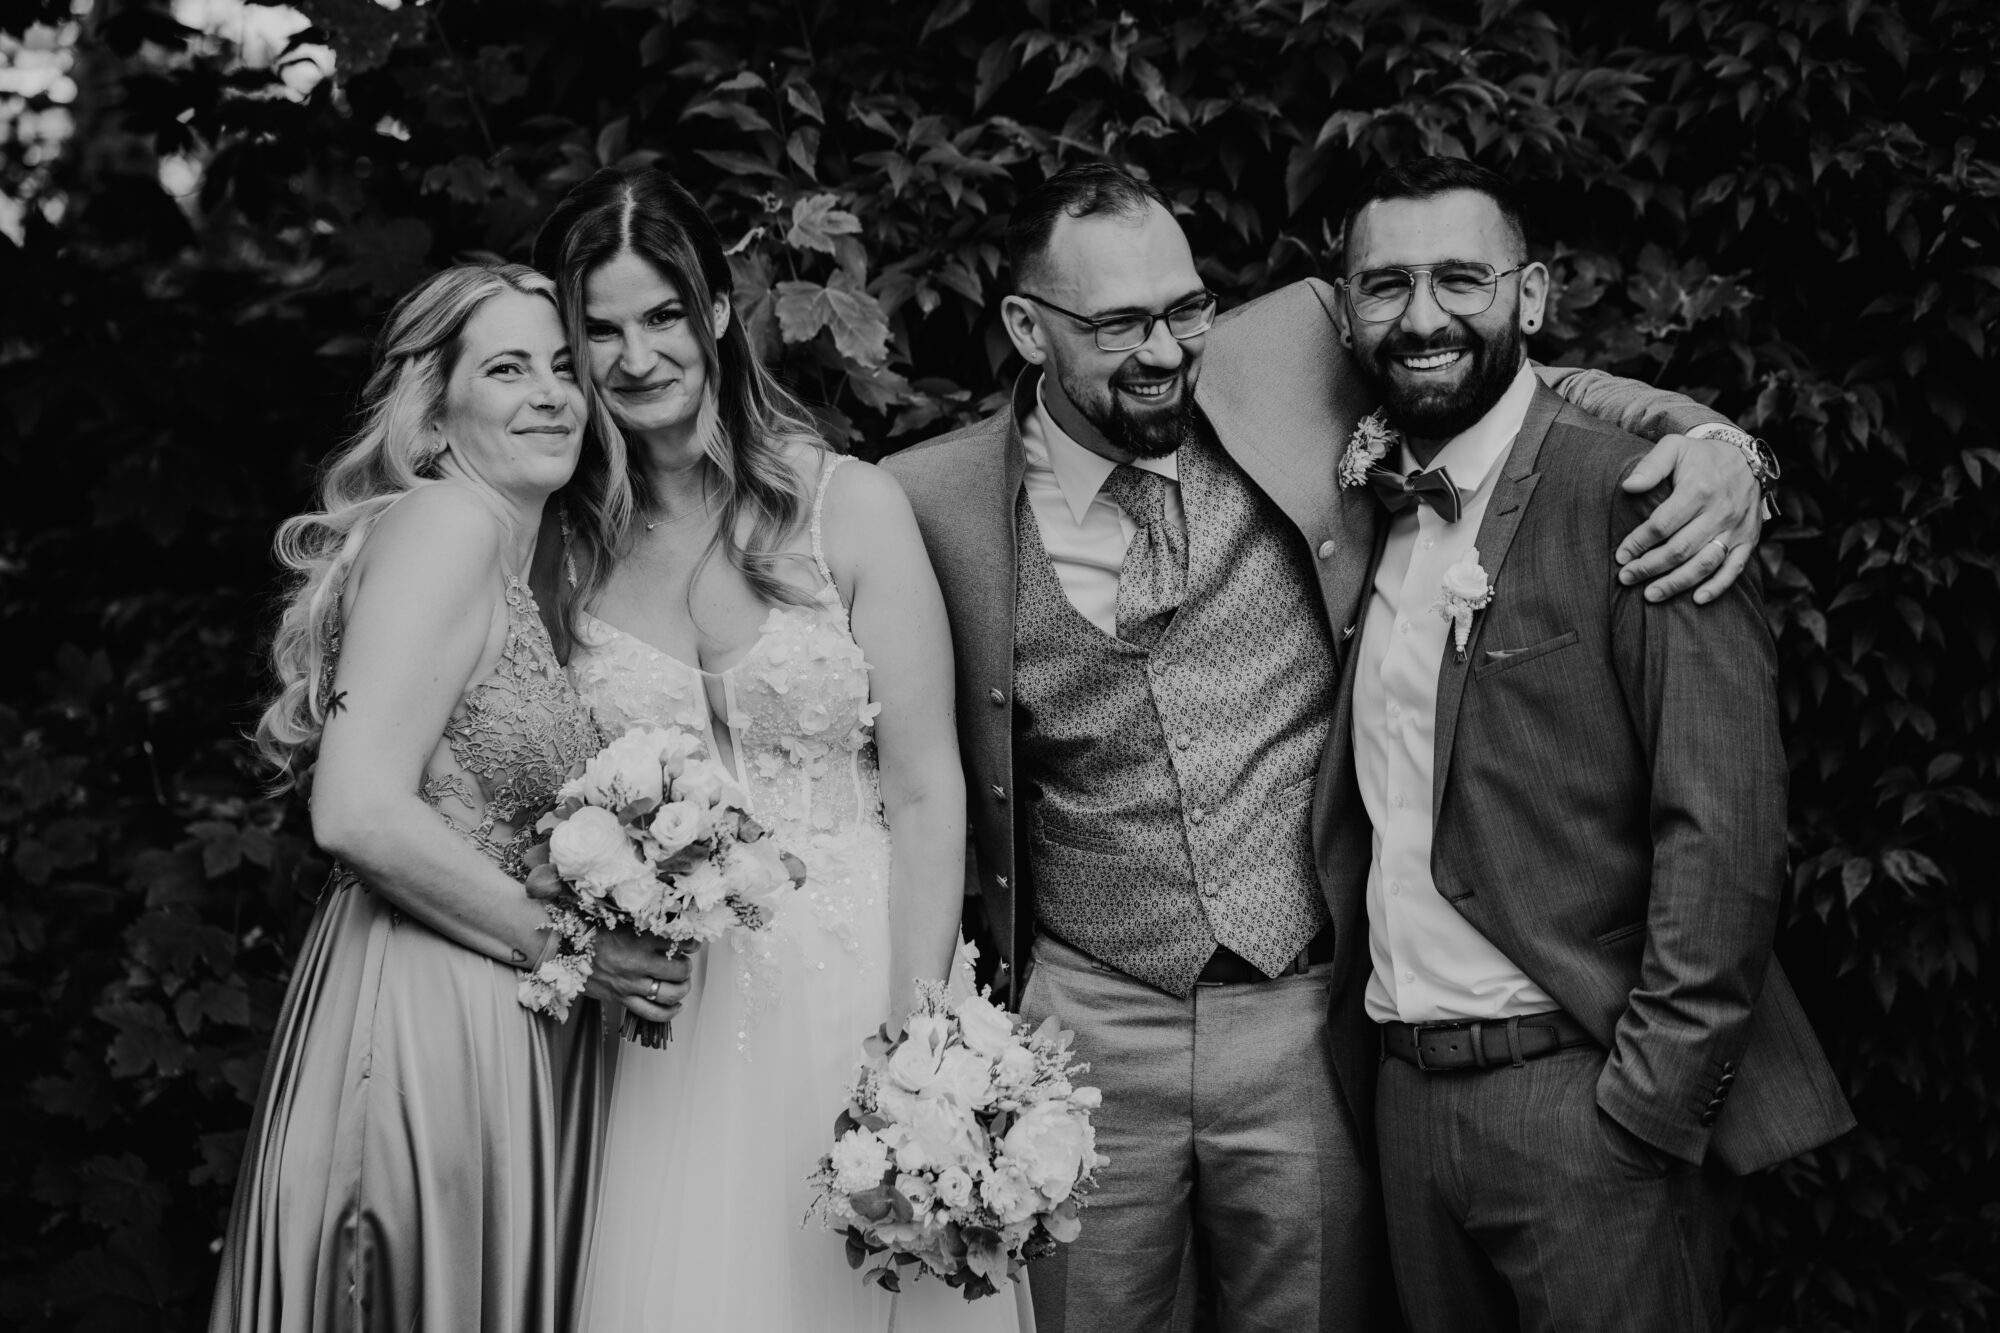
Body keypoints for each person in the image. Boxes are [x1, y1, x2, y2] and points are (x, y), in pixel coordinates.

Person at [882, 163, 1772, 1333]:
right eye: (1115, 325)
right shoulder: (925, 499)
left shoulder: (1294, 348)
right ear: (1022, 326)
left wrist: (1710, 439)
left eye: (1184, 309)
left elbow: (1512, 375)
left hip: (1304, 1014)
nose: (1163, 350)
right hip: (1082, 1027)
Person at [1321, 156, 1853, 1332]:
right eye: (1384, 284)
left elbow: (1720, 827)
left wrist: (1648, 1105)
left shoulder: (1644, 497)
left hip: (1581, 1100)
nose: (1420, 315)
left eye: (1460, 279)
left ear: (1529, 297)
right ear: (1343, 309)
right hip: (1403, 1104)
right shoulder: (1368, 502)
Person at [530, 168, 1027, 1332]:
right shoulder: (558, 551)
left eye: (662, 314)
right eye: (599, 329)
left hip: (863, 969)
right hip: (667, 1014)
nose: (636, 356)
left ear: (715, 309)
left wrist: (916, 1038)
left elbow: (925, 787)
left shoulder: (848, 506)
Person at [209, 263, 692, 1332]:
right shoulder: (447, 525)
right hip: (422, 1008)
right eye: (508, 369)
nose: (552, 395)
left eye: (562, 367)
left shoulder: (513, 563)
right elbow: (355, 810)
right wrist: (577, 950)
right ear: (432, 415)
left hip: (485, 999)